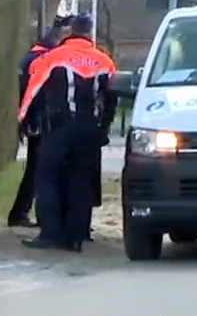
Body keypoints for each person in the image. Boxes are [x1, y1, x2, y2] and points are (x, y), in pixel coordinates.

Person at [19, 14, 117, 252]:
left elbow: (34, 88)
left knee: (48, 176)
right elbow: (111, 98)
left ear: (70, 32)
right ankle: (76, 235)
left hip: (60, 126)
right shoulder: (105, 62)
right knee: (81, 179)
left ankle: (51, 233)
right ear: (89, 34)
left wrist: (22, 118)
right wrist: (104, 127)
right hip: (89, 129)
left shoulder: (53, 58)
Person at [8, 16, 70, 228]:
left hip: (35, 119)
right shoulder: (44, 58)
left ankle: (21, 212)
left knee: (36, 168)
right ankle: (20, 213)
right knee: (38, 169)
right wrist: (33, 121)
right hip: (40, 120)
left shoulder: (33, 55)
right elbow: (37, 92)